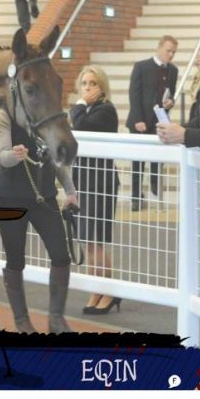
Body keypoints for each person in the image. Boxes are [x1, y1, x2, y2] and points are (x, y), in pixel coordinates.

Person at [0, 97, 78, 333]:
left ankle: (56, 319)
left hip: (44, 198)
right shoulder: (3, 116)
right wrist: (14, 154)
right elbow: (4, 157)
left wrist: (70, 191)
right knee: (15, 260)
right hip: (10, 200)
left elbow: (56, 159)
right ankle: (22, 321)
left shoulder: (44, 116)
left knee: (61, 255)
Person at [69, 66, 121, 315]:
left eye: (93, 83)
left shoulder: (106, 110)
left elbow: (81, 125)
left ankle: (108, 291)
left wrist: (79, 104)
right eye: (84, 83)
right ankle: (95, 289)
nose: (87, 88)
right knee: (87, 241)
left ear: (102, 87)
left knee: (97, 240)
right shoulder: (87, 109)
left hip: (101, 182)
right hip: (83, 180)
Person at [126, 35, 178, 211]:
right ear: (159, 47)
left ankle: (156, 193)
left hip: (160, 122)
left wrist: (171, 102)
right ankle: (135, 197)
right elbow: (134, 94)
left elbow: (170, 95)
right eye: (168, 51)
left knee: (157, 161)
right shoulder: (141, 66)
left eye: (173, 52)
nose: (171, 55)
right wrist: (138, 119)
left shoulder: (173, 70)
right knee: (137, 161)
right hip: (140, 121)